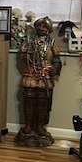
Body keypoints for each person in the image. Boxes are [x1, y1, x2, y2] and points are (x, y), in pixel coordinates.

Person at [15, 16, 62, 147]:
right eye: (40, 26)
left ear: (48, 29)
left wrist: (55, 68)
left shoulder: (52, 43)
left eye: (44, 27)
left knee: (42, 101)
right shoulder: (29, 41)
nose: (41, 29)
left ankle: (40, 126)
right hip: (30, 74)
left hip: (45, 76)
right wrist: (30, 57)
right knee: (28, 99)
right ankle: (28, 125)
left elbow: (57, 58)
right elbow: (22, 55)